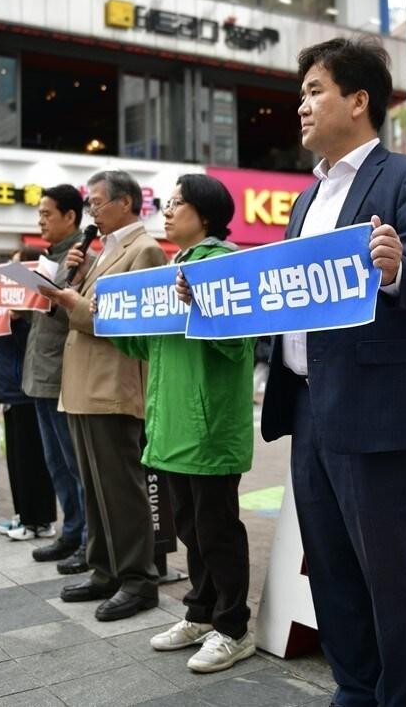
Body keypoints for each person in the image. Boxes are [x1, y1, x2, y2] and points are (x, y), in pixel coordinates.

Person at [257, 37, 406, 706]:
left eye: (314, 90)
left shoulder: (405, 177)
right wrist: (221, 303)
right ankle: (355, 689)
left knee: (389, 575)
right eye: (302, 94)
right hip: (307, 404)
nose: (301, 106)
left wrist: (398, 270)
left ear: (358, 100)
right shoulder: (304, 201)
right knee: (331, 567)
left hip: (374, 406)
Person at [112, 175, 256, 673]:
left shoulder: (224, 264)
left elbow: (238, 344)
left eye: (177, 204)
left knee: (217, 530)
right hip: (171, 423)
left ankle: (234, 627)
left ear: (207, 215)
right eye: (167, 205)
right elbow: (146, 345)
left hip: (208, 424)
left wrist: (203, 302)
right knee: (194, 528)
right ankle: (202, 613)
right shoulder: (172, 268)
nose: (167, 212)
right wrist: (116, 320)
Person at [40, 170, 165, 622]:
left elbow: (132, 320)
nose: (92, 211)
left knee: (121, 487)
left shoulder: (145, 249)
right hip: (82, 384)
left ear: (126, 203)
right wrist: (68, 284)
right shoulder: (100, 251)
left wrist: (75, 303)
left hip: (113, 383)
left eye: (97, 203)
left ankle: (138, 579)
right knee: (93, 486)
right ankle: (104, 568)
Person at [22, 185, 90, 573]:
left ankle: (85, 540)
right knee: (57, 463)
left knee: (75, 463)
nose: (41, 220)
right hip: (40, 375)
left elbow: (79, 314)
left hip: (65, 376)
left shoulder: (83, 258)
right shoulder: (48, 261)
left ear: (70, 217)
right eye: (40, 213)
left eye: (47, 213)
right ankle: (71, 531)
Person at [0, 247, 57, 541]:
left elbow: (29, 349)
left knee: (34, 460)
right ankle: (23, 515)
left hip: (27, 391)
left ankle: (39, 521)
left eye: (18, 268)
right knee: (16, 459)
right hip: (8, 391)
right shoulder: (10, 309)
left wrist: (18, 322)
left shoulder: (36, 312)